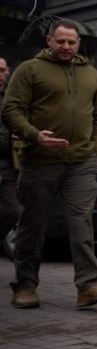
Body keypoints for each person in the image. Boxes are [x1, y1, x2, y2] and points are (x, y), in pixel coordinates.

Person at [3, 19, 97, 309]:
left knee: (81, 222)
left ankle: (88, 286)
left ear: (78, 43)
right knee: (33, 224)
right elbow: (11, 110)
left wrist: (96, 148)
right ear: (50, 41)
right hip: (40, 160)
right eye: (61, 41)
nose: (66, 47)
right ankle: (26, 286)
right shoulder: (30, 70)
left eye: (72, 42)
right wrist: (34, 136)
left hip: (81, 161)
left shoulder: (90, 72)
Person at [0, 58, 21, 254]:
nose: (1, 74)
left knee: (13, 210)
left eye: (3, 70)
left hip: (7, 162)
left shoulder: (12, 96)